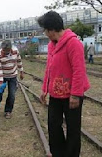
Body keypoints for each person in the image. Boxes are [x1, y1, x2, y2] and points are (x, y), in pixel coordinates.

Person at [37, 11, 90, 157]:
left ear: (51, 29)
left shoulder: (73, 43)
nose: (45, 33)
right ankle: (58, 153)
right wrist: (44, 89)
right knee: (54, 125)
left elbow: (79, 70)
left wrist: (76, 94)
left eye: (45, 29)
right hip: (55, 93)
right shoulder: (51, 45)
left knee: (73, 128)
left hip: (72, 95)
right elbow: (49, 68)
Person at [0, 40, 24, 119]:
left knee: (12, 95)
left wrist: (21, 71)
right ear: (2, 49)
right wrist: (0, 82)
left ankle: (8, 111)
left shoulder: (15, 51)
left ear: (10, 48)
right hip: (3, 76)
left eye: (7, 51)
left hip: (13, 76)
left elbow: (19, 61)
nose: (6, 53)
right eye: (4, 51)